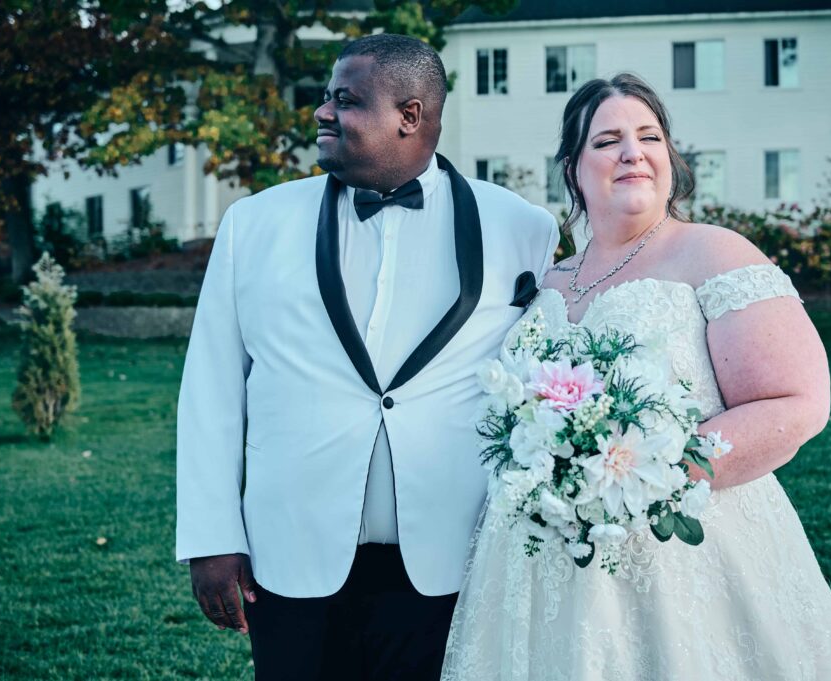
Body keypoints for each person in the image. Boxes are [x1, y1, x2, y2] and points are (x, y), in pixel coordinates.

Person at [441, 73, 831, 680]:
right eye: (607, 140)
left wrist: (644, 477)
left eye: (649, 136)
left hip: (682, 552)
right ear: (573, 167)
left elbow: (798, 402)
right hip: (541, 561)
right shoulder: (550, 281)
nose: (631, 152)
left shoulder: (715, 253)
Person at [175, 34, 559, 681]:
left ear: (410, 115)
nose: (322, 112)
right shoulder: (252, 224)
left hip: (453, 554)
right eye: (326, 98)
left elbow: (542, 380)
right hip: (291, 551)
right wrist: (212, 538)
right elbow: (211, 389)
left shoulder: (523, 228)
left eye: (345, 101)